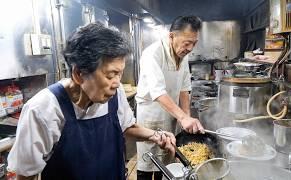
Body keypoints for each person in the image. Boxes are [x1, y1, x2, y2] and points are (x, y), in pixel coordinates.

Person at [7, 22, 176, 180]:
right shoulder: (43, 110)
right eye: (110, 75)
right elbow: (26, 174)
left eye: (120, 73)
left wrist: (156, 135)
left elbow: (125, 126)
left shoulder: (116, 94)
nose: (117, 83)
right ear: (78, 73)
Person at [135, 16, 204, 180]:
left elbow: (184, 88)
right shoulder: (152, 53)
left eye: (194, 43)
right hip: (152, 116)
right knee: (147, 162)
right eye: (187, 43)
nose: (190, 48)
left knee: (165, 163)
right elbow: (157, 91)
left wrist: (185, 116)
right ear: (171, 36)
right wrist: (182, 116)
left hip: (171, 114)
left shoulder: (183, 55)